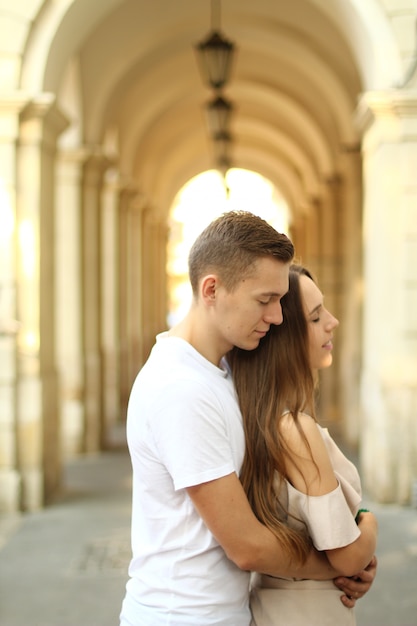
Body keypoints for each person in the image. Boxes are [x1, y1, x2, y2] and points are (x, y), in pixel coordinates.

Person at [119, 212, 376, 626]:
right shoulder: (180, 389)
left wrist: (351, 556)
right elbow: (248, 547)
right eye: (264, 300)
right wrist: (342, 565)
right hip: (182, 616)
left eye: (279, 300)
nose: (277, 317)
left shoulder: (220, 372)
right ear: (212, 289)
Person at [228, 264, 378, 626]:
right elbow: (345, 558)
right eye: (315, 317)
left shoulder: (263, 419)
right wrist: (370, 523)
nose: (333, 321)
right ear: (285, 337)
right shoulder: (295, 429)